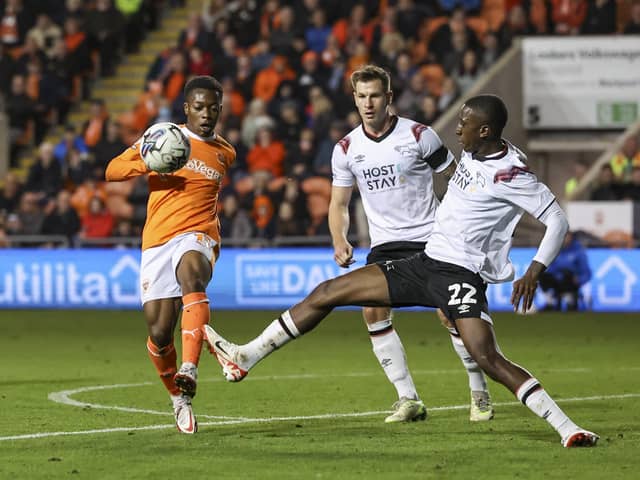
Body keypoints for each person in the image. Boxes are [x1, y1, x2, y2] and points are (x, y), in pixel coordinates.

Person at [205, 94, 599, 448]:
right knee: (328, 292)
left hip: (460, 276)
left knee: (488, 357)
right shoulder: (477, 153)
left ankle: (567, 428)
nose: (456, 127)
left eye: (464, 122)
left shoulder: (512, 173)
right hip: (424, 262)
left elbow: (558, 220)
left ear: (484, 130)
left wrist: (534, 269)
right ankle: (246, 356)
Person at [326, 65, 492, 423]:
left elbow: (454, 177)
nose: (368, 104)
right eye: (361, 96)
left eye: (374, 96)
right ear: (354, 99)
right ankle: (408, 399)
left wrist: (464, 222)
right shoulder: (346, 149)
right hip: (386, 244)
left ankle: (479, 392)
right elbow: (338, 204)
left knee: (451, 314)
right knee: (372, 311)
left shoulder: (420, 135)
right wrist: (339, 238)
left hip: (432, 238)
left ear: (388, 98)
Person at [106, 75, 235, 434]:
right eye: (198, 107)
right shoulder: (160, 138)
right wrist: (148, 163)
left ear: (220, 109)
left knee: (192, 274)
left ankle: (190, 367)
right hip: (158, 240)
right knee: (160, 331)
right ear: (186, 109)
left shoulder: (225, 152)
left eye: (212, 107)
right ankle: (179, 398)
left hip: (199, 234)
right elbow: (111, 170)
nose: (206, 114)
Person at [539, 231, 591, 311]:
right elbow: (550, 267)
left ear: (571, 237)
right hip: (557, 280)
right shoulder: (554, 250)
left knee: (567, 274)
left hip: (570, 281)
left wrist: (579, 279)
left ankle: (570, 300)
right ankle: (550, 301)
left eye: (566, 236)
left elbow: (586, 273)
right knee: (542, 275)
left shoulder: (578, 251)